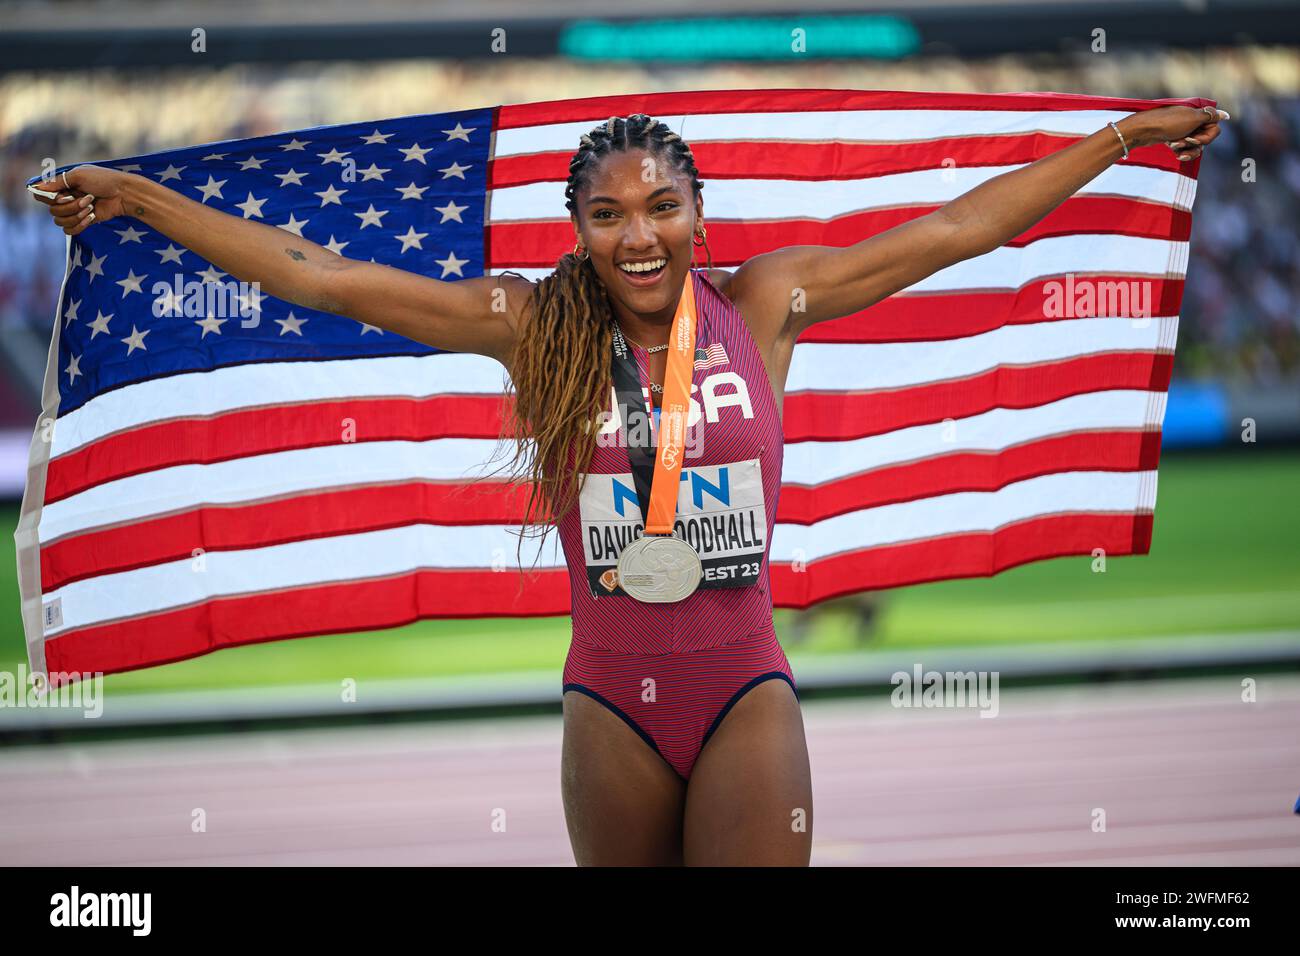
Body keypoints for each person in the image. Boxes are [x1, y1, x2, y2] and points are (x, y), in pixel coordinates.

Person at [32, 104, 1228, 866]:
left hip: (744, 686)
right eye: (608, 214)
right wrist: (137, 198)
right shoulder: (529, 323)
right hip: (609, 702)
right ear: (578, 229)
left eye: (661, 206)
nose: (638, 234)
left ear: (699, 215)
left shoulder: (767, 301)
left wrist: (1119, 141)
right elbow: (324, 275)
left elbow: (957, 231)